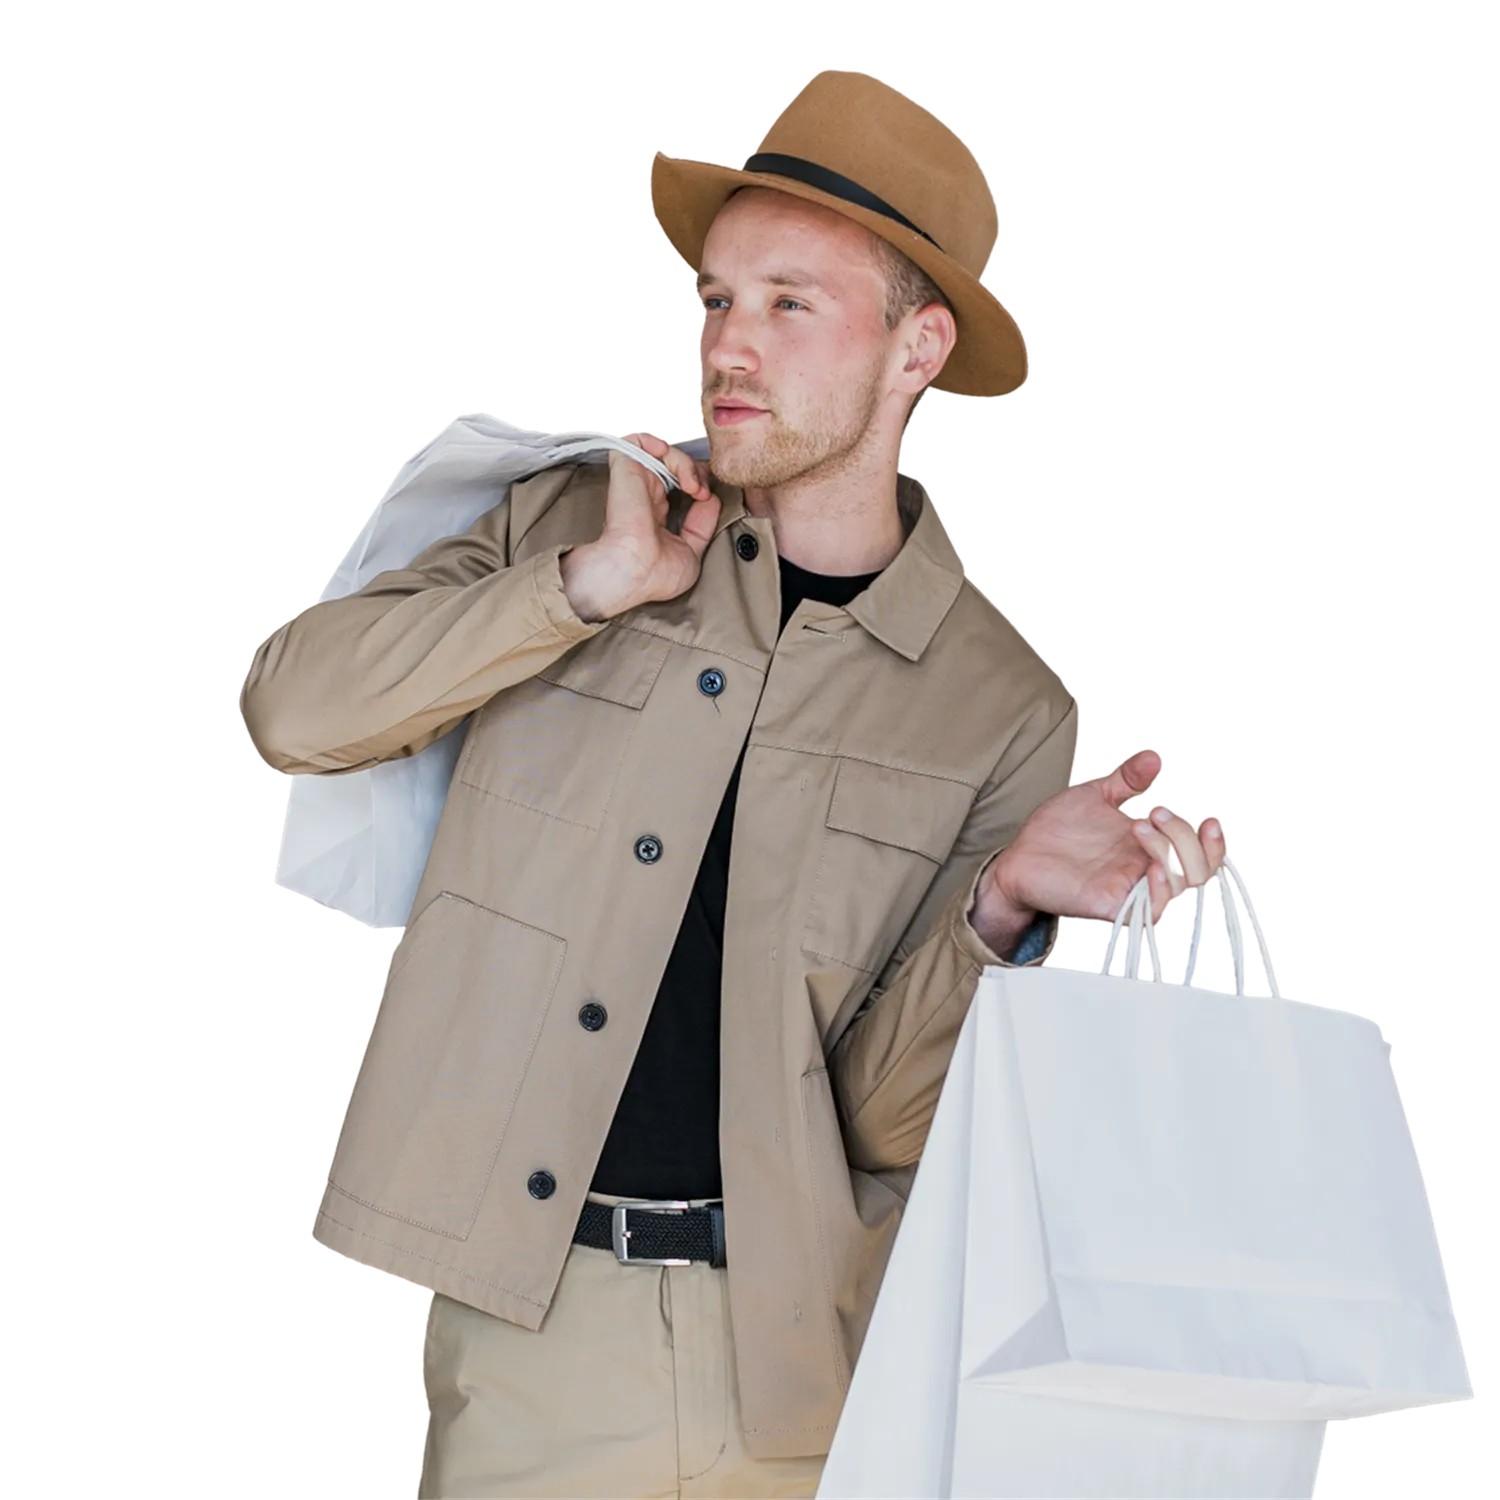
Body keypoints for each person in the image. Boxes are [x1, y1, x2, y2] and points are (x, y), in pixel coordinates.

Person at [242, 66, 1225, 1499]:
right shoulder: (576, 517)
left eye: (788, 303)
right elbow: (293, 711)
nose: (728, 347)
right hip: (538, 1342)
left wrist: (1003, 910)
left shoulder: (1005, 704)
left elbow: (879, 1125)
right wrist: (584, 589)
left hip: (819, 1367)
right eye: (714, 300)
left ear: (918, 347)